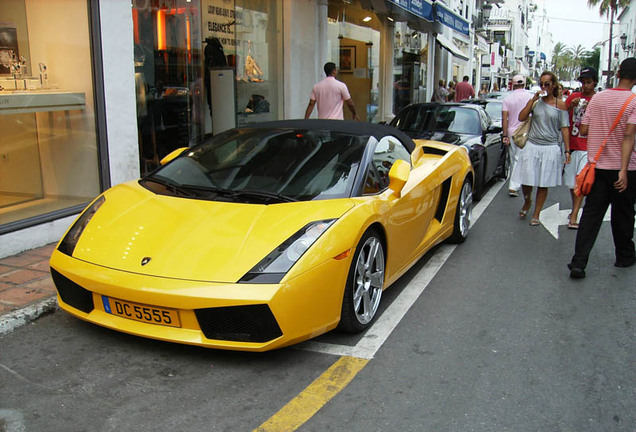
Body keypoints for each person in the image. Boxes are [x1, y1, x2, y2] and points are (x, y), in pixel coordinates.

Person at [567, 58, 636, 279]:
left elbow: (584, 129)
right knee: (623, 214)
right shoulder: (634, 101)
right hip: (625, 168)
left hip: (596, 166)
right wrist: (623, 170)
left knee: (591, 214)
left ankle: (578, 262)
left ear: (618, 73)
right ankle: (624, 256)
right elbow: (628, 135)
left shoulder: (597, 99)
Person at [512, 71, 571, 226]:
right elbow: (521, 117)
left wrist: (567, 151)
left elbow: (565, 128)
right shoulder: (536, 102)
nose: (544, 86)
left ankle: (537, 213)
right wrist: (533, 99)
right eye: (542, 83)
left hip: (550, 147)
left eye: (547, 84)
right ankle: (527, 201)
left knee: (543, 183)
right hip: (532, 145)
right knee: (526, 180)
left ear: (554, 85)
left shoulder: (561, 105)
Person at [563, 67, 598, 229]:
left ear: (595, 82)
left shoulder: (598, 100)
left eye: (588, 82)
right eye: (583, 82)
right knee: (571, 183)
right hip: (572, 145)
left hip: (588, 147)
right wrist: (571, 106)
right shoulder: (574, 97)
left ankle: (575, 214)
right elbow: (561, 116)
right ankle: (574, 208)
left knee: (580, 180)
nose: (585, 86)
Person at [502, 74, 533, 197]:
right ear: (524, 84)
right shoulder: (530, 98)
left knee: (514, 158)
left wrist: (505, 135)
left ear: (513, 85)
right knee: (521, 159)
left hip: (512, 131)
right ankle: (515, 185)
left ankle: (514, 185)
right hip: (526, 131)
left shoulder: (507, 99)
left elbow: (505, 117)